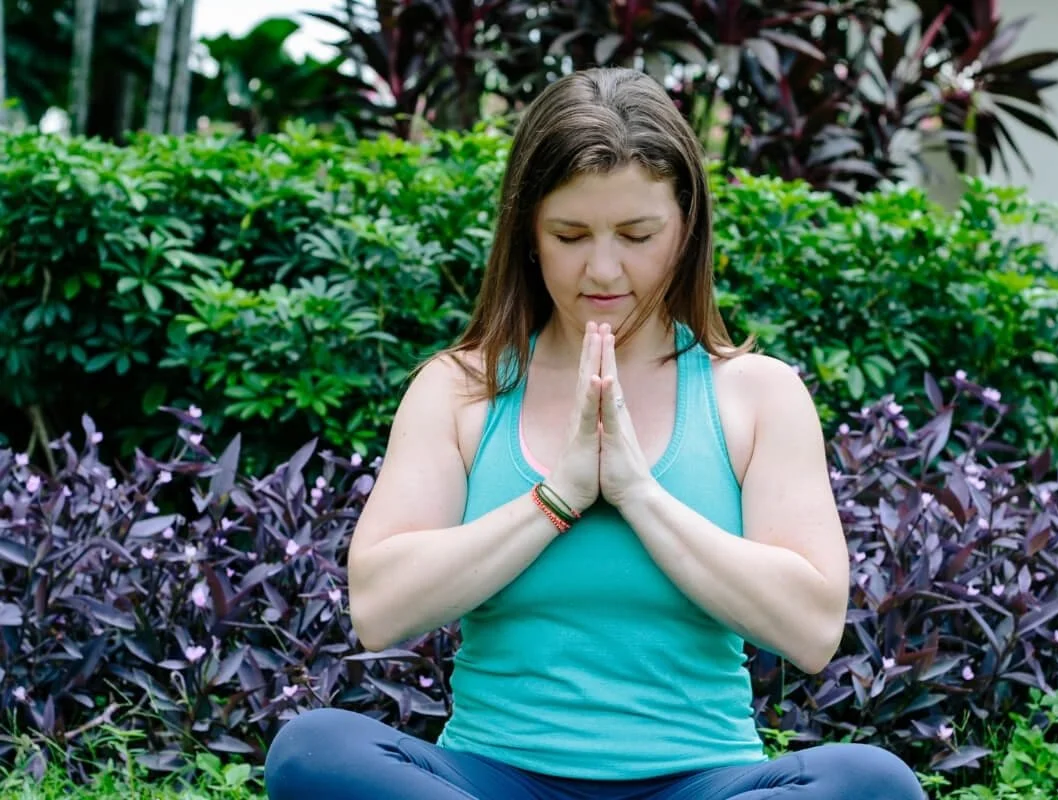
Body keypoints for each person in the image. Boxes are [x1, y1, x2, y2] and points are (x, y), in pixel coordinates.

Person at [264, 67, 925, 800]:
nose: (602, 269)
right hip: (491, 781)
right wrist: (559, 496)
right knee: (313, 749)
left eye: (638, 235)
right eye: (570, 234)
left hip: (703, 783)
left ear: (685, 231)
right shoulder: (460, 388)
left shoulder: (758, 395)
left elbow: (810, 630)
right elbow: (381, 609)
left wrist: (638, 493)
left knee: (872, 783)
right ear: (528, 236)